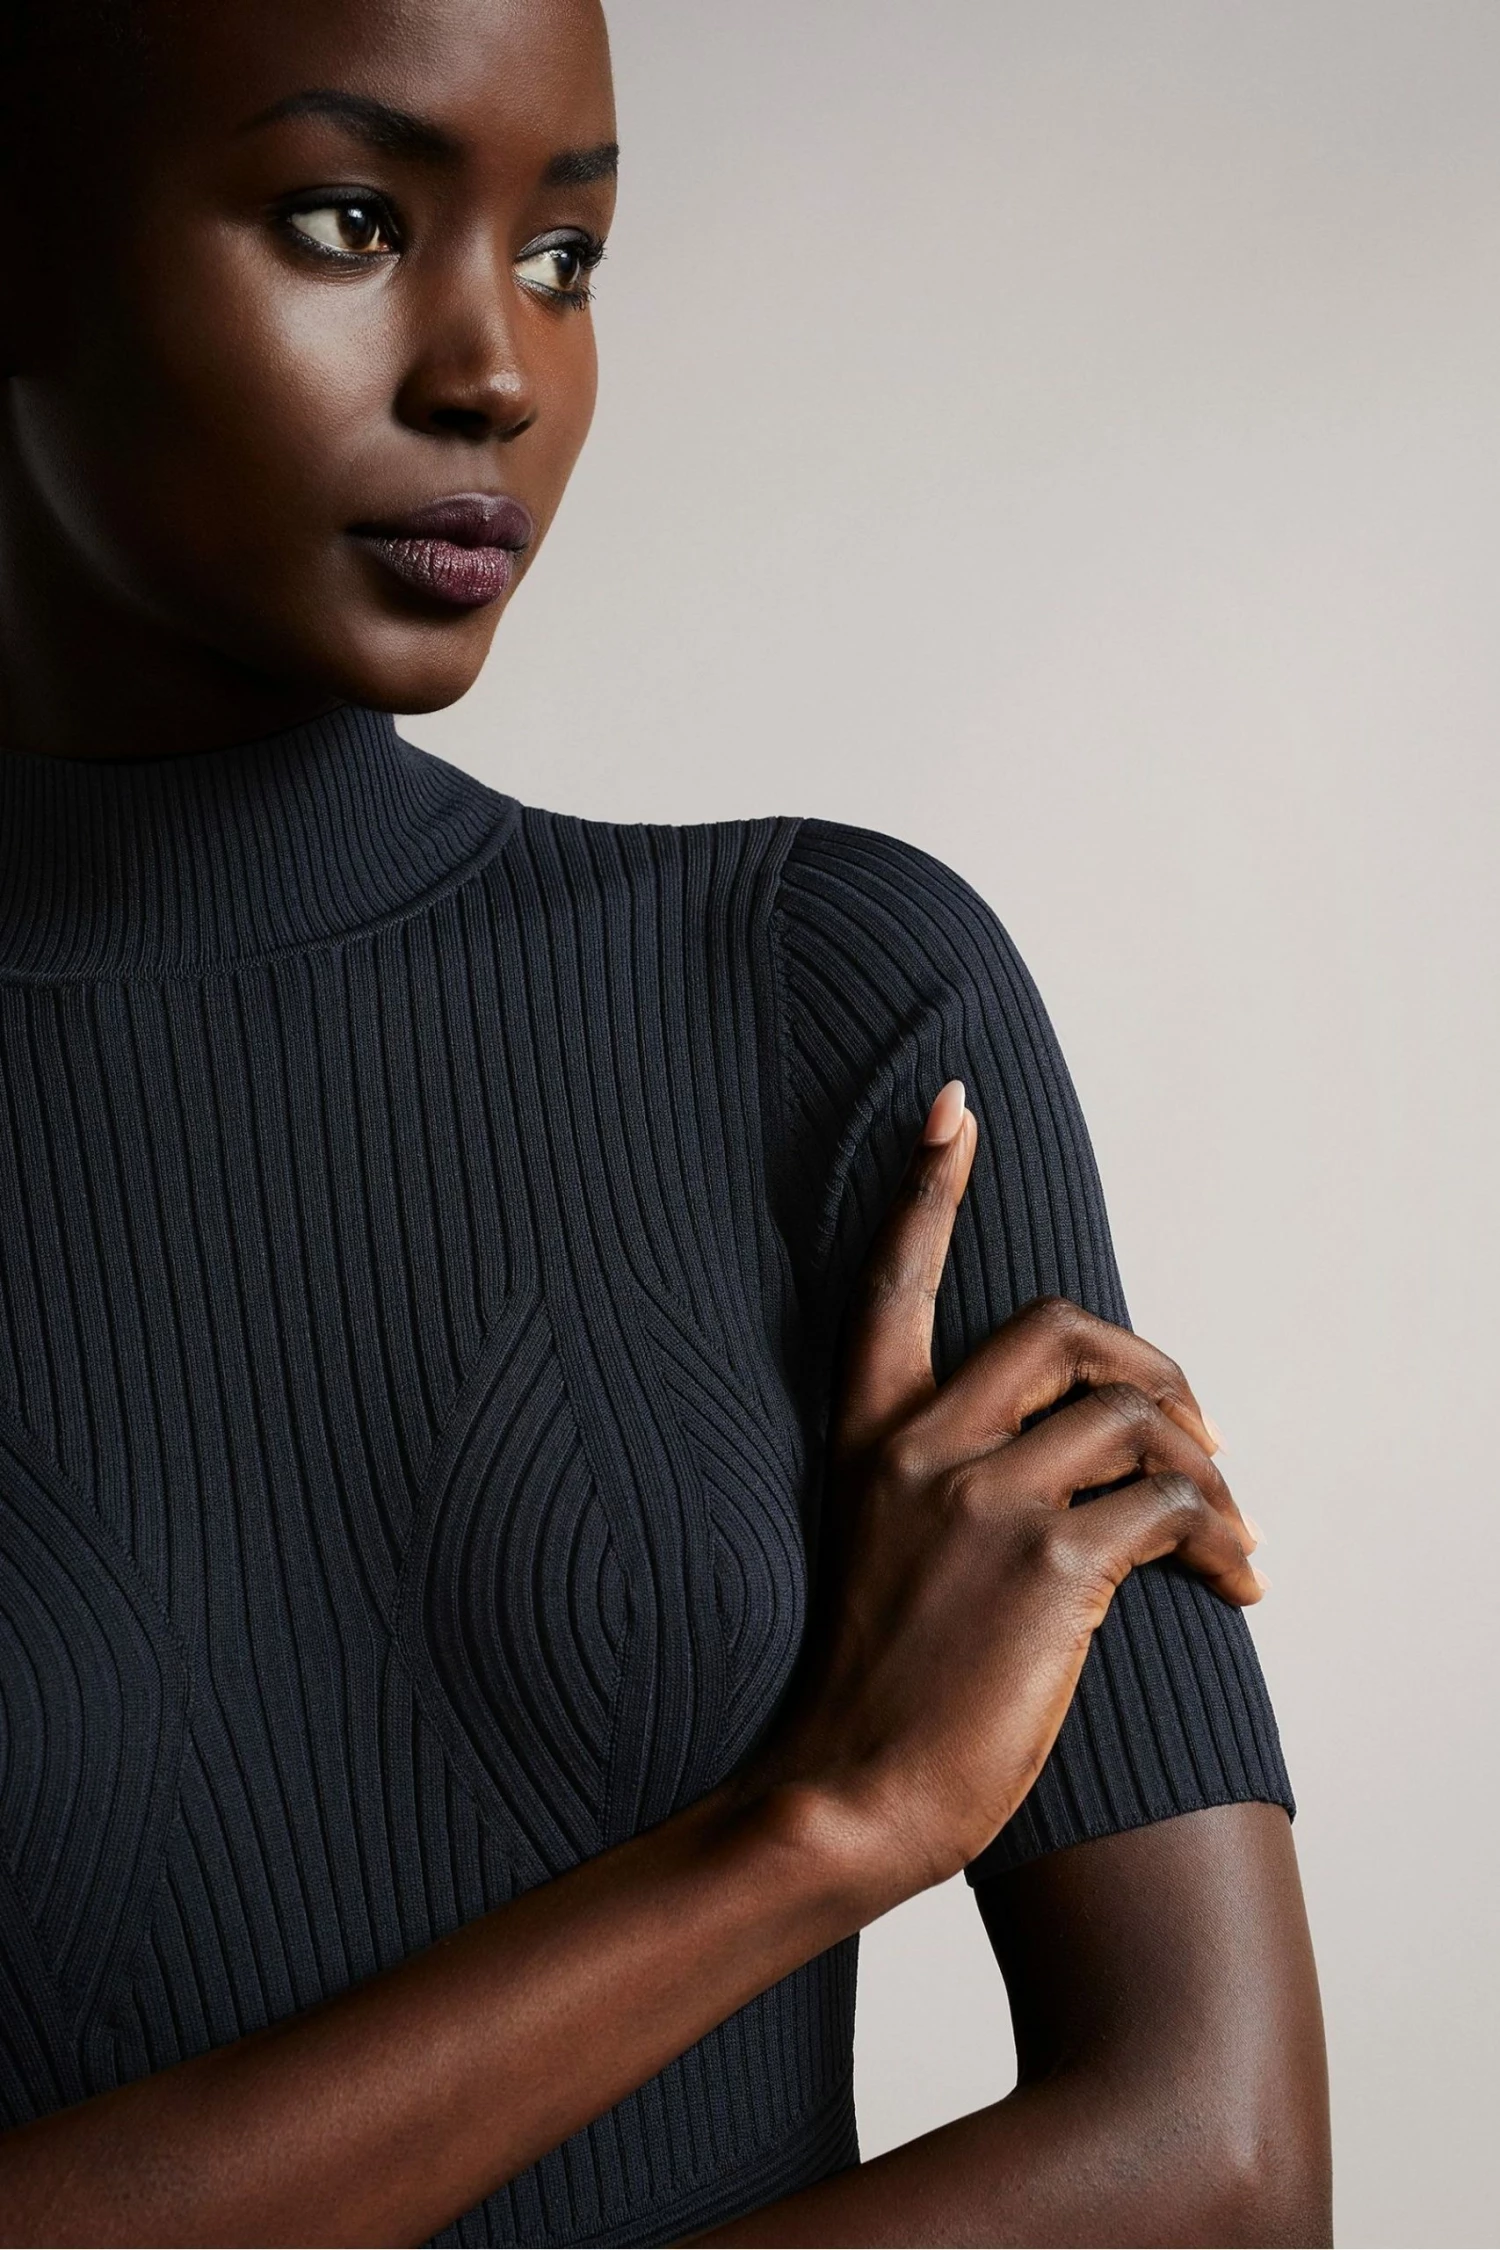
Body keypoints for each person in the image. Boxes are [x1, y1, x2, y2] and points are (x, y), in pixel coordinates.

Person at [0, 0, 1330, 2242]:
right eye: (349, 222)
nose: (497, 372)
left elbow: (1219, 2166)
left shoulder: (819, 1002)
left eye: (565, 258)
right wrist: (815, 1832)